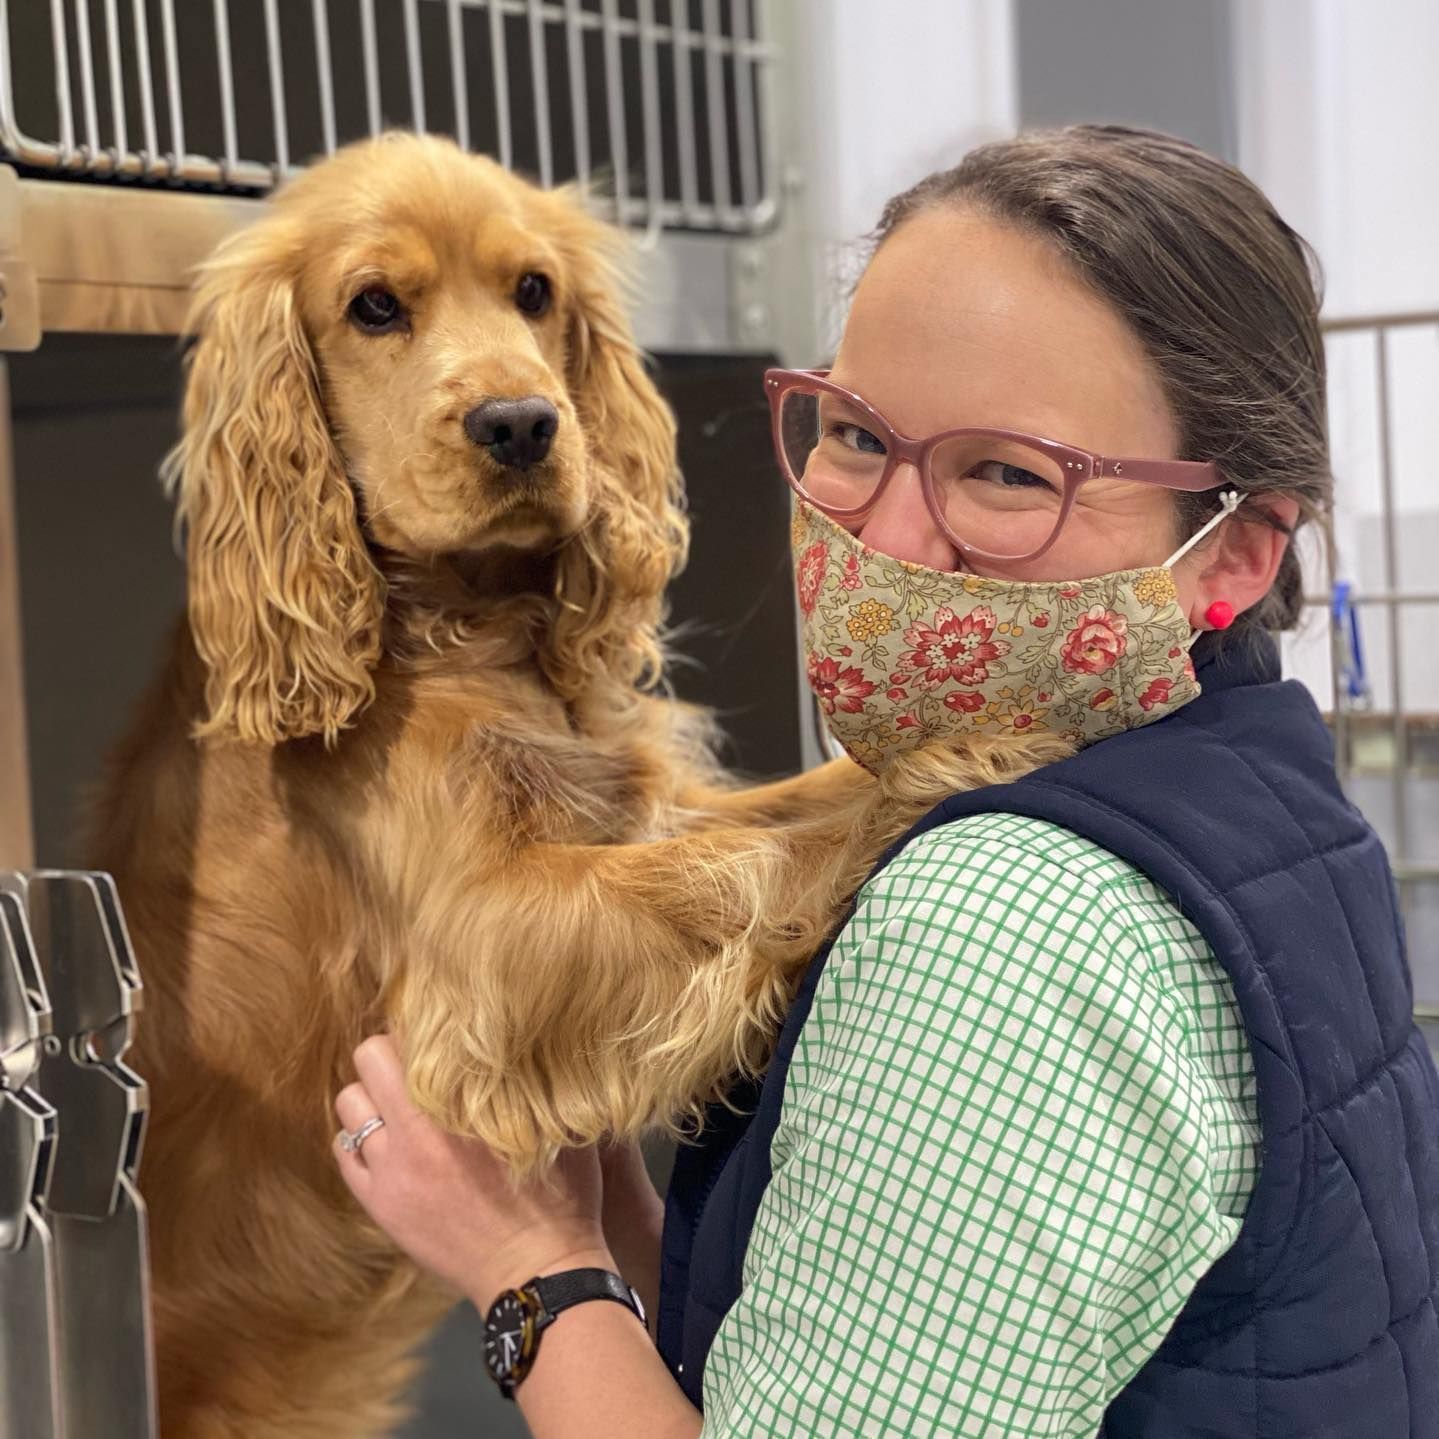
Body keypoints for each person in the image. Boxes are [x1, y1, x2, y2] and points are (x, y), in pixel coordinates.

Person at [333, 125, 1439, 1437]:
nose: (893, 536)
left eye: (1011, 474)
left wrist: (526, 1266)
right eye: (857, 435)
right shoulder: (1267, 792)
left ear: (1236, 553)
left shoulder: (995, 928)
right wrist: (632, 1234)